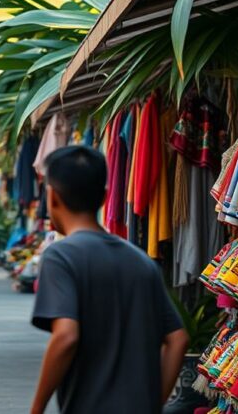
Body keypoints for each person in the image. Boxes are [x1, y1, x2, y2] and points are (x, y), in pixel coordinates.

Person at [29, 145, 188, 414]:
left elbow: (66, 336)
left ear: (52, 197)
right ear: (104, 198)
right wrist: (153, 402)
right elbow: (178, 339)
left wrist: (37, 408)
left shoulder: (61, 256)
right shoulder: (140, 262)